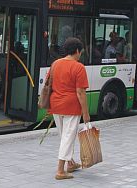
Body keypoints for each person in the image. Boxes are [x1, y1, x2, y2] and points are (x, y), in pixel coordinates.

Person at [49, 37, 90, 180]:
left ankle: (70, 163)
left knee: (64, 136)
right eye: (81, 52)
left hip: (56, 104)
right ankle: (60, 170)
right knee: (68, 137)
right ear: (77, 51)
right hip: (71, 106)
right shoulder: (79, 67)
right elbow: (80, 92)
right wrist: (86, 113)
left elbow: (49, 83)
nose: (80, 55)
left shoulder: (55, 64)